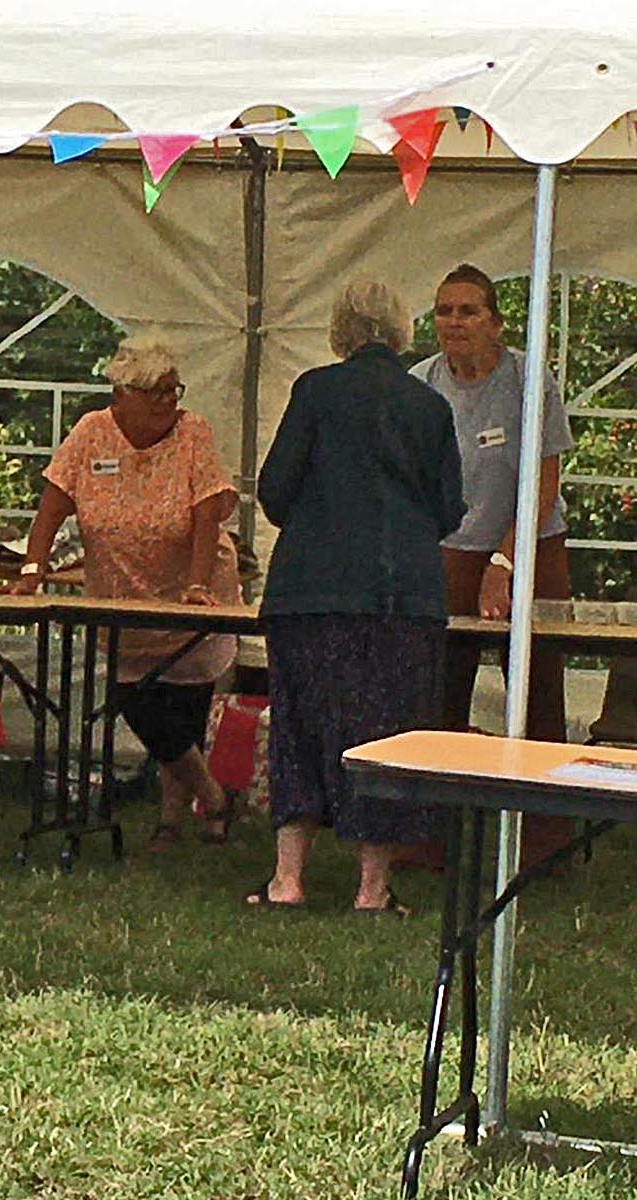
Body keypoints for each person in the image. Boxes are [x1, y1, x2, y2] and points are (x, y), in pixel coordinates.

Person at [252, 280, 465, 914]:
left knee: (298, 725)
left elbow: (275, 488)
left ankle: (288, 880)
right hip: (401, 597)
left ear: (340, 331)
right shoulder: (430, 407)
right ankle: (372, 888)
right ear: (402, 331)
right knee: (385, 737)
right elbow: (449, 509)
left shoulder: (314, 391)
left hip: (311, 593)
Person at [14, 334, 240, 850]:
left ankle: (171, 820)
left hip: (188, 592)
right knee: (137, 703)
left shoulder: (192, 433)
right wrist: (32, 568)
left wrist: (198, 584)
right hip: (120, 601)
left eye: (173, 390)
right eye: (156, 392)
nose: (169, 401)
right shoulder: (91, 433)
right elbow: (52, 506)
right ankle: (214, 796)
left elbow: (207, 512)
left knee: (182, 713)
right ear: (123, 394)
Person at [412, 263, 576, 867]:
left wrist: (506, 560)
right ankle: (429, 834)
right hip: (448, 547)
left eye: (467, 311)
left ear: (496, 323)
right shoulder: (420, 383)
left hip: (532, 543)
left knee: (536, 690)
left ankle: (542, 842)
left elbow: (544, 477)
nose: (453, 323)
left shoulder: (531, 378)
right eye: (444, 311)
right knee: (437, 693)